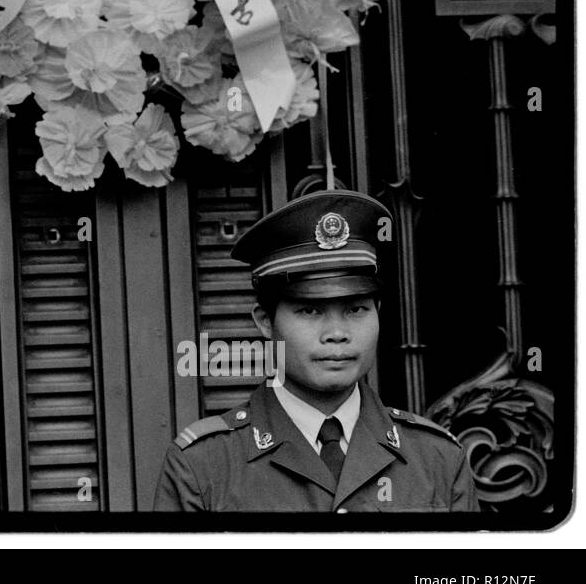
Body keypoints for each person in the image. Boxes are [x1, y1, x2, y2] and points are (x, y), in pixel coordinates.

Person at [154, 189, 479, 513]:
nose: (337, 334)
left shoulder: (437, 459)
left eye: (356, 309)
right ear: (265, 322)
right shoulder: (203, 466)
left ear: (378, 311)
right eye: (310, 311)